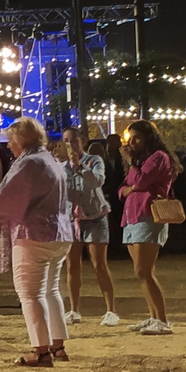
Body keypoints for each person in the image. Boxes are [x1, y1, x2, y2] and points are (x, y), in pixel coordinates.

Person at [0, 118, 73, 366]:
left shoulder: (30, 163)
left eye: (11, 140)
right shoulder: (50, 159)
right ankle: (57, 346)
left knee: (30, 294)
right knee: (51, 291)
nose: (8, 145)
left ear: (22, 140)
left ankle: (41, 351)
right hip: (59, 234)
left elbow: (8, 198)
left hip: (34, 234)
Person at [119, 120, 179, 334]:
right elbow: (124, 187)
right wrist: (129, 188)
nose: (132, 142)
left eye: (137, 138)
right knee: (143, 273)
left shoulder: (158, 158)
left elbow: (142, 182)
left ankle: (162, 321)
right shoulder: (140, 160)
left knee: (143, 271)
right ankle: (153, 316)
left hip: (148, 216)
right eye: (131, 138)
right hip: (131, 217)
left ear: (148, 138)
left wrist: (132, 167)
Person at [62, 134, 119, 326]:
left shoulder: (95, 160)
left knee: (99, 264)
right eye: (66, 140)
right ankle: (74, 310)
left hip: (95, 217)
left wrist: (80, 168)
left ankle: (111, 310)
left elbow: (97, 182)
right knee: (72, 265)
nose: (70, 144)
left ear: (82, 142)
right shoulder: (63, 167)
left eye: (74, 139)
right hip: (73, 219)